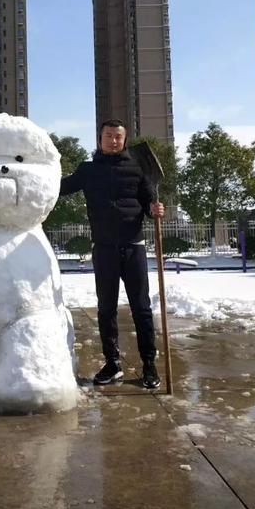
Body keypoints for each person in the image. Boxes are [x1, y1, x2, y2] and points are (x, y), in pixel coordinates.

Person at [60, 119, 165, 389]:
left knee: (141, 308)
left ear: (124, 140)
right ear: (100, 139)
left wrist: (154, 209)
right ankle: (112, 363)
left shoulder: (138, 167)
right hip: (104, 248)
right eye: (109, 136)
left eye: (119, 136)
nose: (114, 141)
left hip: (134, 247)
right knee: (106, 309)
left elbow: (148, 201)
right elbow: (60, 188)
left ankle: (149, 365)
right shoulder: (87, 170)